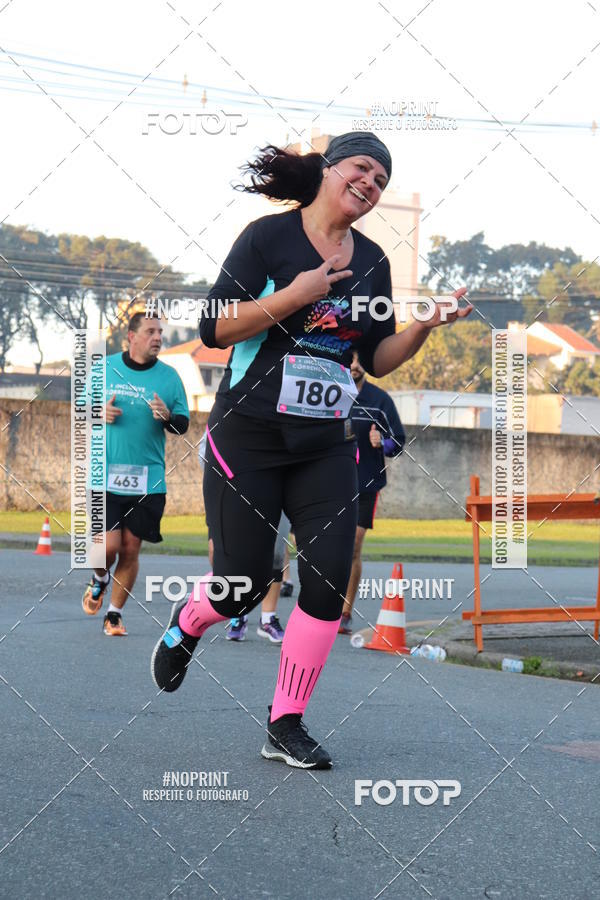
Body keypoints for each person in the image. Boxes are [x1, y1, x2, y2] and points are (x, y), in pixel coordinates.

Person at [151, 131, 471, 768]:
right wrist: (294, 296)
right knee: (243, 584)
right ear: (329, 169)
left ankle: (285, 723)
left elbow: (376, 358)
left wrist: (422, 326)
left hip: (325, 443)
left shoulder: (373, 261)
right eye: (362, 168)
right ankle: (188, 621)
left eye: (381, 180)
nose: (371, 184)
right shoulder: (267, 238)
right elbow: (215, 327)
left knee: (326, 580)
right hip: (250, 435)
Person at [82, 312, 189, 635]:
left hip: (148, 480)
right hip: (104, 475)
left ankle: (114, 614)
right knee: (107, 547)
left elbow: (181, 425)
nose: (158, 337)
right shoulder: (104, 368)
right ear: (131, 336)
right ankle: (100, 577)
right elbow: (81, 409)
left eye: (160, 332)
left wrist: (167, 417)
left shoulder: (169, 377)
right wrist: (99, 412)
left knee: (130, 548)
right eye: (150, 331)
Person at [197, 429, 287, 643]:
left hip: (276, 488)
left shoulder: (287, 414)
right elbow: (205, 451)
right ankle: (238, 614)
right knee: (227, 553)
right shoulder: (231, 413)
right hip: (236, 490)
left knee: (276, 553)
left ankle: (268, 618)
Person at [338, 351, 405, 634]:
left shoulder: (380, 400)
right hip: (331, 482)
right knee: (327, 546)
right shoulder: (331, 393)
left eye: (359, 360)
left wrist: (382, 443)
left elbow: (398, 442)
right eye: (350, 359)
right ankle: (321, 606)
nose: (355, 365)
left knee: (353, 546)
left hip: (366, 484)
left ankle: (344, 612)